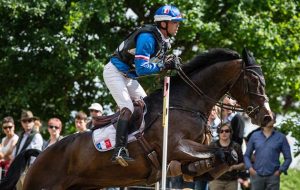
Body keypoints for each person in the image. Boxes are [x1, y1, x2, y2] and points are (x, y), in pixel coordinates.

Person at [103, 4, 185, 166]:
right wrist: (163, 66)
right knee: (128, 107)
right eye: (175, 22)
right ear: (164, 24)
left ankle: (138, 142)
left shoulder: (163, 41)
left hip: (127, 76)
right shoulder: (148, 38)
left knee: (147, 106)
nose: (178, 26)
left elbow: (156, 63)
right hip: (114, 73)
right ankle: (119, 148)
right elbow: (142, 69)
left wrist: (168, 63)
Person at [244, 113, 292, 190]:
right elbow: (246, 155)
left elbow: (288, 158)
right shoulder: (254, 136)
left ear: (274, 120)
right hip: (257, 176)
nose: (268, 119)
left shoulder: (281, 137)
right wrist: (250, 168)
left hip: (273, 177)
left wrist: (280, 171)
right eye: (266, 117)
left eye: (270, 117)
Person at [13, 110, 44, 190]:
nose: (27, 123)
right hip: (18, 170)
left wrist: (30, 173)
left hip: (28, 170)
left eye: (29, 120)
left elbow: (35, 157)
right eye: (24, 121)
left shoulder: (36, 136)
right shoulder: (21, 136)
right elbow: (16, 152)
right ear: (21, 123)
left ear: (33, 122)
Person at [209, 123, 245, 190]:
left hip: (232, 181)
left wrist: (233, 167)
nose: (224, 133)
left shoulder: (236, 146)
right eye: (221, 131)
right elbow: (207, 163)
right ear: (218, 133)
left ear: (230, 132)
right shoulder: (213, 146)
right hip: (216, 181)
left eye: (226, 131)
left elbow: (243, 165)